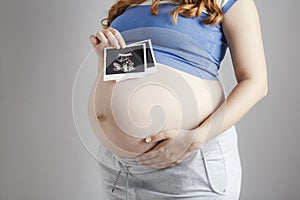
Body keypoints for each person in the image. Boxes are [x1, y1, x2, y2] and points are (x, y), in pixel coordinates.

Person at [88, 0, 268, 199]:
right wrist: (107, 58)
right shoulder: (132, 3)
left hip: (188, 163)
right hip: (122, 172)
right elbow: (138, 67)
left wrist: (196, 137)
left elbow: (256, 83)